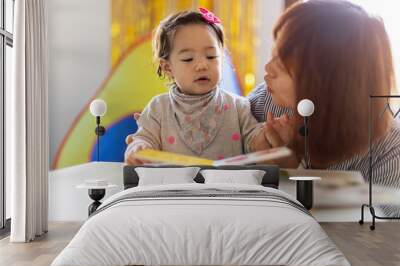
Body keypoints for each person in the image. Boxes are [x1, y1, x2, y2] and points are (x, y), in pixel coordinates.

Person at [249, 0, 400, 187]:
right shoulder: (264, 101)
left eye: (282, 66)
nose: (268, 69)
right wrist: (248, 147)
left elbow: (380, 215)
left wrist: (292, 172)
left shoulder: (390, 150)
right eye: (274, 55)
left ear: (327, 84)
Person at [124, 8, 267, 165]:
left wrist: (267, 136)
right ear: (167, 68)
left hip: (228, 187)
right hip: (174, 187)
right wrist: (139, 147)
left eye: (211, 56)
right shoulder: (158, 108)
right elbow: (144, 139)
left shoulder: (239, 107)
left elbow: (256, 144)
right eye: (188, 58)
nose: (202, 65)